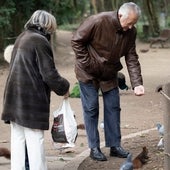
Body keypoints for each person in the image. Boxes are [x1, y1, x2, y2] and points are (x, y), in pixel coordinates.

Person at [71, 2, 144, 161]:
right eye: (130, 22)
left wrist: (137, 83)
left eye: (134, 23)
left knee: (113, 107)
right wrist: (88, 63)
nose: (131, 27)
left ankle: (114, 146)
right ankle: (94, 148)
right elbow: (76, 41)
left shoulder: (131, 32)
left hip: (110, 73)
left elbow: (131, 57)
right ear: (120, 16)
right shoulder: (98, 21)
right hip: (87, 72)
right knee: (91, 108)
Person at [1, 10, 70, 170]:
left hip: (13, 97)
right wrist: (64, 87)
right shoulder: (39, 41)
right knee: (35, 141)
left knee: (18, 140)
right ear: (48, 25)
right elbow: (49, 74)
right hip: (30, 100)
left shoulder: (22, 37)